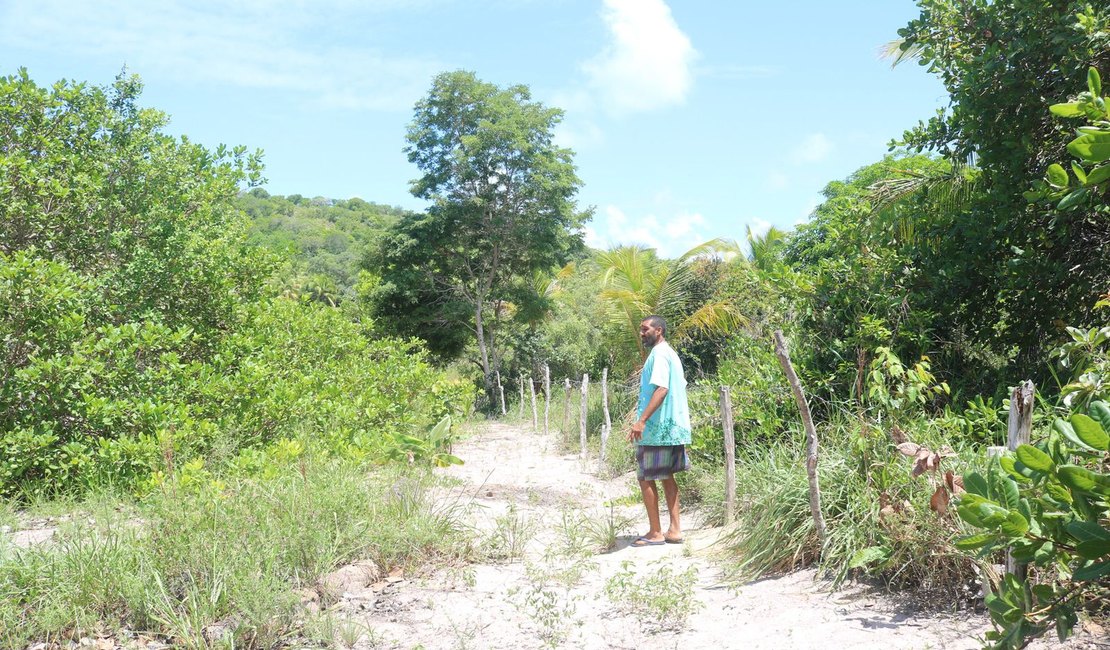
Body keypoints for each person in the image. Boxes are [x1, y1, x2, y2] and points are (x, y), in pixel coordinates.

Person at [628, 315, 692, 547]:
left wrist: (641, 421)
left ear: (659, 330)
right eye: (641, 329)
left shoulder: (659, 355)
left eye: (645, 329)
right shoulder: (670, 353)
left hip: (658, 429)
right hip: (672, 428)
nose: (642, 333)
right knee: (666, 475)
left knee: (645, 476)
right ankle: (674, 530)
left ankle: (655, 532)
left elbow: (662, 389)